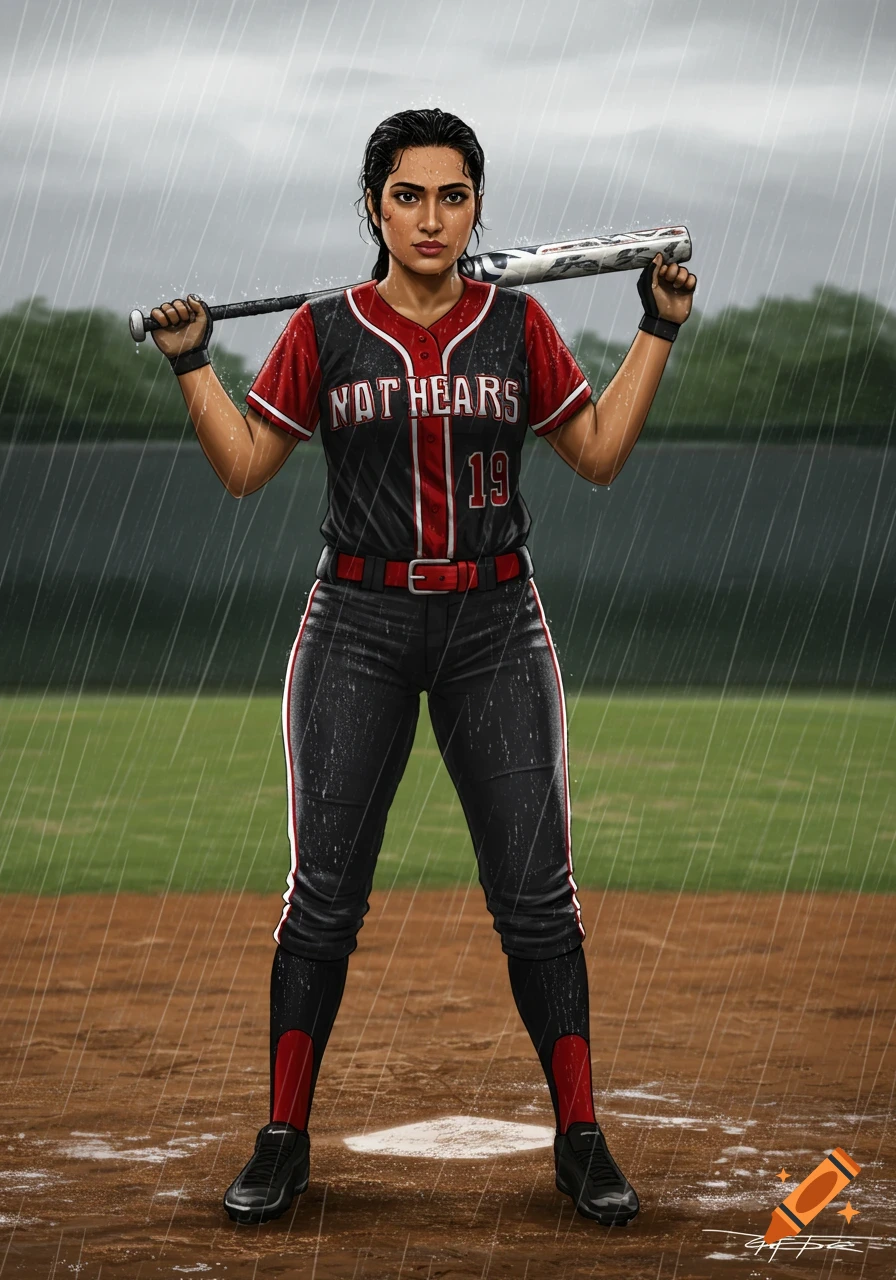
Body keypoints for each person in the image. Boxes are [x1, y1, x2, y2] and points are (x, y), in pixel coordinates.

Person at [149, 108, 696, 1228]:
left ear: (476, 207)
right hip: (355, 619)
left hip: (496, 624)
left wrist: (657, 330)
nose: (432, 216)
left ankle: (580, 1139)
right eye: (408, 195)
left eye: (453, 196)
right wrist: (192, 362)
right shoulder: (324, 330)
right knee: (322, 901)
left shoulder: (516, 325)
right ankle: (283, 1138)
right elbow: (247, 467)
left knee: (537, 897)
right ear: (372, 207)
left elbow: (593, 455)